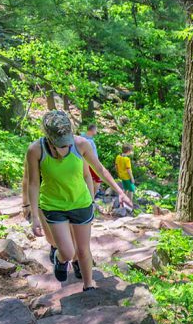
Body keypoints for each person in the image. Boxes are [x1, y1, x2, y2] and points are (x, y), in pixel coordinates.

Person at [24, 111, 132, 290]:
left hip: (80, 202)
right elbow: (33, 183)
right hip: (53, 205)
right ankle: (60, 258)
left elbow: (99, 169)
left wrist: (120, 191)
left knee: (83, 250)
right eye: (59, 143)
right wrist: (34, 216)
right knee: (67, 251)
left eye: (66, 142)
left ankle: (88, 285)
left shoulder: (82, 144)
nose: (63, 147)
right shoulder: (35, 150)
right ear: (48, 136)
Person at [81, 124, 103, 198]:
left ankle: (89, 195)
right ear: (93, 130)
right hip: (91, 163)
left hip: (84, 163)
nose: (96, 132)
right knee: (98, 179)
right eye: (96, 130)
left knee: (89, 179)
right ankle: (92, 197)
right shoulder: (88, 141)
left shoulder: (81, 138)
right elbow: (92, 154)